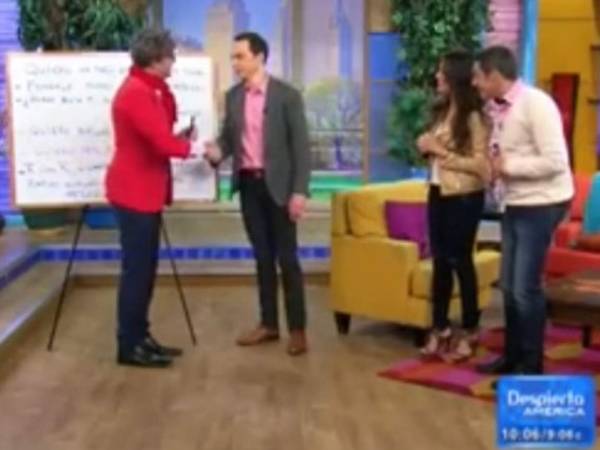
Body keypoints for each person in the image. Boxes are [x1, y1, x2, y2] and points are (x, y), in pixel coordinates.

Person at [204, 32, 311, 356]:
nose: (235, 62)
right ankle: (268, 324)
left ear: (259, 57)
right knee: (262, 257)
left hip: (279, 187)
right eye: (233, 57)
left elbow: (301, 148)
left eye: (240, 56)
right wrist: (216, 152)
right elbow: (228, 139)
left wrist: (299, 192)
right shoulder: (234, 96)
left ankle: (297, 330)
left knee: (287, 259)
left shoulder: (287, 96)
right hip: (249, 186)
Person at [472, 46, 573, 376]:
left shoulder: (537, 104)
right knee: (509, 287)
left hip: (542, 202)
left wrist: (509, 166)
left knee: (525, 289)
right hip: (515, 202)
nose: (474, 83)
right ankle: (512, 357)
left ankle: (530, 367)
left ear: (494, 76)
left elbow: (556, 162)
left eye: (478, 77)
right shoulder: (496, 109)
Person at [105, 28, 197, 368]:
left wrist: (179, 138)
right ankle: (129, 345)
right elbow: (161, 143)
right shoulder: (137, 93)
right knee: (138, 272)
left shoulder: (148, 90)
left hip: (144, 191)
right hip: (134, 192)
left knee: (145, 270)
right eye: (171, 55)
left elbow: (157, 137)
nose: (174, 61)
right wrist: (197, 147)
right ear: (156, 59)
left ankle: (140, 337)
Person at [416, 50, 490, 362]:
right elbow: (435, 151)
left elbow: (482, 167)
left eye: (442, 71)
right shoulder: (441, 111)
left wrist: (440, 151)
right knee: (440, 263)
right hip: (437, 192)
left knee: (461, 261)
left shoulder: (474, 118)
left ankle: (470, 330)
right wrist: (425, 148)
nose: (437, 76)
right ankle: (441, 328)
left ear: (455, 77)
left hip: (464, 197)